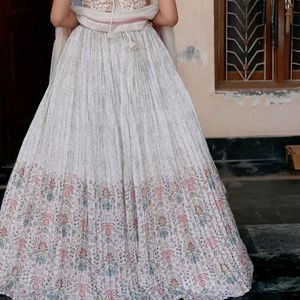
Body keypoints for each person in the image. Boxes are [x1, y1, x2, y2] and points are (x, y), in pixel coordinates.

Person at [0, 1, 253, 299]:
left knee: (88, 144)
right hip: (140, 52)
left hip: (89, 53)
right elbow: (169, 17)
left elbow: (59, 17)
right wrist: (134, 16)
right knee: (151, 145)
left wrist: (92, 18)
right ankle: (166, 256)